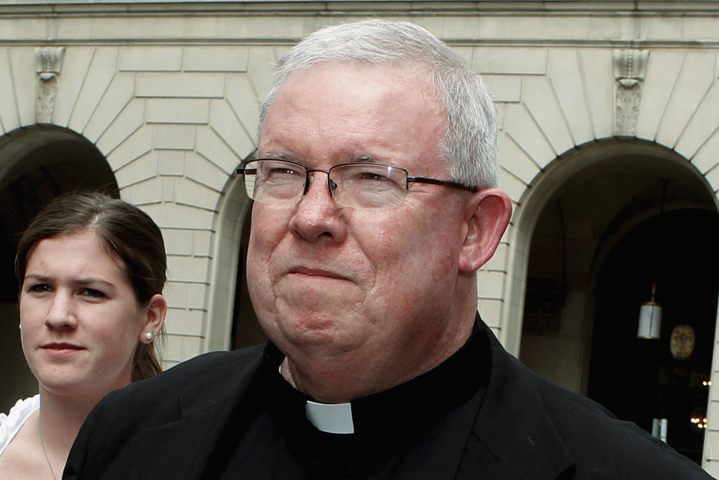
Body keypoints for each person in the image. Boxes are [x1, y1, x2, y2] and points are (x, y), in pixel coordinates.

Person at [64, 20, 711, 479]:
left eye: (372, 178)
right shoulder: (130, 435)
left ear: (474, 230)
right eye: (283, 171)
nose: (311, 215)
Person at [0, 192, 167, 480]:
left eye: (91, 292)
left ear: (150, 316)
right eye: (41, 288)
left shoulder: (187, 461)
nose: (58, 316)